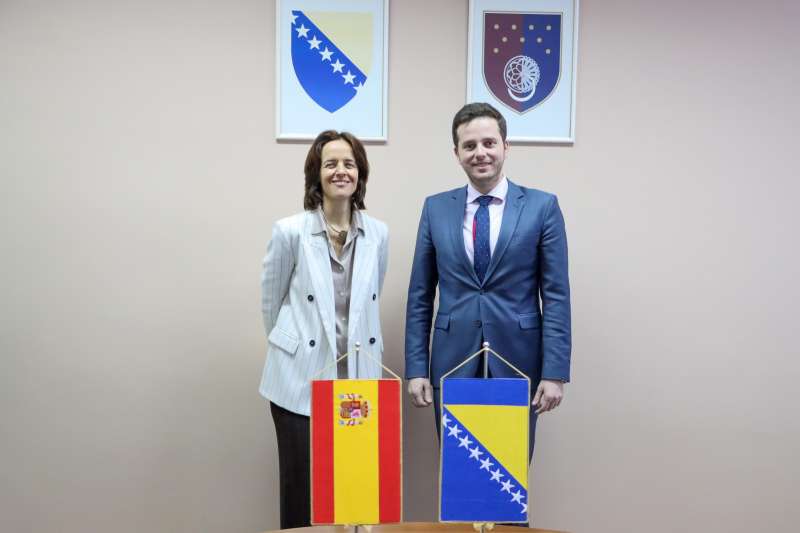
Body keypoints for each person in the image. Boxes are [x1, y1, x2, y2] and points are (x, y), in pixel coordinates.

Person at [404, 102, 571, 455]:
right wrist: (416, 368)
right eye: (469, 145)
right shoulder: (435, 208)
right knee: (458, 471)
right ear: (457, 153)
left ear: (505, 147)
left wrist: (554, 372)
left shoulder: (542, 207)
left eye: (489, 143)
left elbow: (556, 296)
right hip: (453, 361)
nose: (480, 152)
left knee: (509, 471)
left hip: (518, 360)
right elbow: (420, 295)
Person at [259, 130, 389, 529]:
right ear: (316, 174)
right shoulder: (289, 231)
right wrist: (298, 348)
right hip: (298, 379)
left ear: (360, 173)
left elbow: (369, 302)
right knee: (300, 491)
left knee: (355, 493)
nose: (340, 171)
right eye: (330, 164)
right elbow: (271, 303)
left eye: (349, 163)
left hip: (357, 380)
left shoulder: (378, 234)